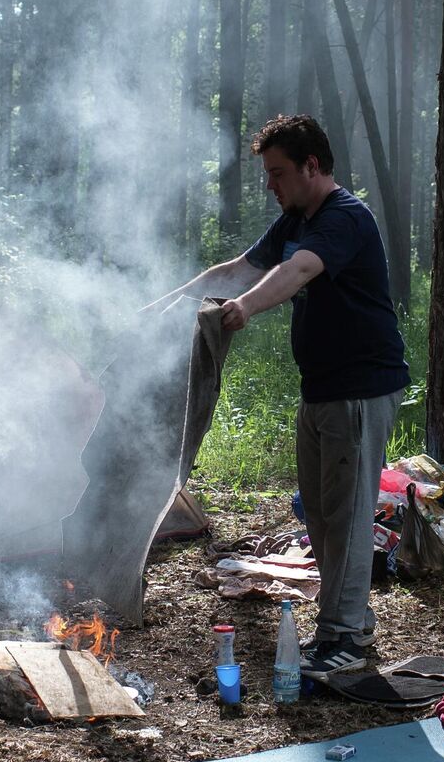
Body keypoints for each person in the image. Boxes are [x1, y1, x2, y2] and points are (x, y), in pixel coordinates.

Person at [173, 114, 409, 681]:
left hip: (360, 391)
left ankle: (343, 638)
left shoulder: (343, 218)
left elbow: (299, 270)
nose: (270, 186)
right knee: (323, 517)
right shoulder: (294, 218)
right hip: (323, 391)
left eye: (278, 174)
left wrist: (247, 308)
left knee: (348, 517)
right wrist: (172, 304)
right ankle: (350, 623)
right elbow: (240, 268)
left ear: (312, 166)